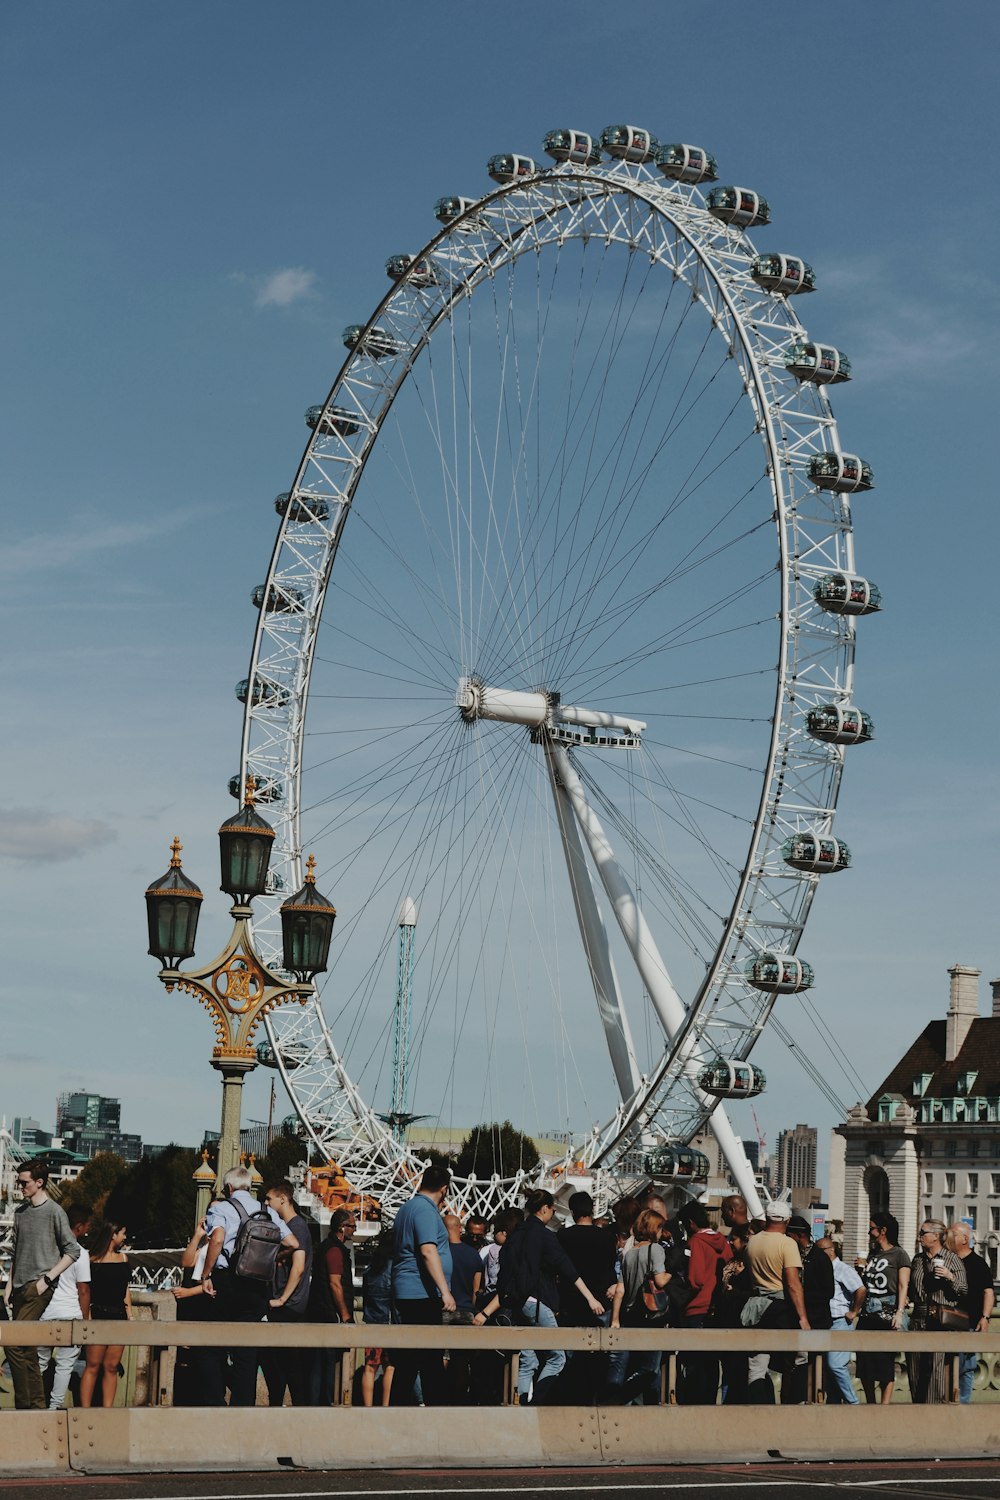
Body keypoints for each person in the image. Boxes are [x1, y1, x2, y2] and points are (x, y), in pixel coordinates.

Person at [475, 1188, 604, 1405]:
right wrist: (591, 1298)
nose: (553, 1214)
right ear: (544, 1209)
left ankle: (522, 1405)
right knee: (557, 1357)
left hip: (515, 1303)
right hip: (537, 1302)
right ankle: (537, 1404)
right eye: (552, 1210)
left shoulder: (516, 1236)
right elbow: (567, 1269)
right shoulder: (545, 1236)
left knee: (528, 1360)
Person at [200, 1164, 300, 1406]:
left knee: (211, 1345)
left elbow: (218, 1238)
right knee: (247, 1350)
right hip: (257, 1285)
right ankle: (243, 1405)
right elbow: (292, 1243)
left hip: (229, 1281)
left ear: (228, 1187)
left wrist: (206, 1275)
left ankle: (214, 1402)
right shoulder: (266, 1210)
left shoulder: (222, 1208)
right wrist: (270, 1259)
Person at [2, 1160, 81, 1410]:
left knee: (14, 1342)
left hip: (38, 1288)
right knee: (24, 1347)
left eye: (24, 1182)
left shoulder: (55, 1211)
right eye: (19, 1182)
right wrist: (8, 1285)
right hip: (18, 1287)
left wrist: (47, 1280)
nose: (20, 1186)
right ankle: (32, 1406)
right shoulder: (20, 1213)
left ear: (39, 1182)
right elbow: (17, 1251)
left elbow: (73, 1250)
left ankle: (30, 1405)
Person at [389, 1165, 455, 1406]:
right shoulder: (425, 1211)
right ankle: (436, 1415)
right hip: (421, 1293)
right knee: (430, 1360)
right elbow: (428, 1251)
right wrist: (445, 1291)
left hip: (408, 1291)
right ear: (444, 1189)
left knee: (409, 1360)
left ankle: (398, 1411)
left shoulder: (407, 1208)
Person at [742, 1200, 808, 1405]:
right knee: (800, 1355)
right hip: (780, 1307)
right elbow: (793, 1284)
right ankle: (795, 1405)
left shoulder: (752, 1242)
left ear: (767, 1218)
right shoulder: (787, 1243)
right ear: (787, 1220)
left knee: (757, 1365)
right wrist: (803, 1317)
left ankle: (759, 1410)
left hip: (755, 1307)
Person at [557, 1190, 619, 1403]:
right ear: (592, 1210)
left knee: (571, 1356)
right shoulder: (606, 1237)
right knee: (598, 1354)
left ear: (573, 1212)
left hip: (571, 1302)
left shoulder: (563, 1236)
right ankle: (594, 1397)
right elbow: (611, 1268)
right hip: (600, 1302)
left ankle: (573, 1397)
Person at [608, 1208, 673, 1405]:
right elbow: (660, 1281)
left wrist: (615, 1320)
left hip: (630, 1315)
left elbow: (620, 1290)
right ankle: (617, 1399)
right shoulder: (656, 1249)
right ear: (654, 1229)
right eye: (660, 1228)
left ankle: (633, 1404)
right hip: (651, 1317)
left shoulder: (630, 1254)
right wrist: (672, 1274)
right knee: (650, 1369)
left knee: (637, 1365)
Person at [260, 1180, 313, 1407]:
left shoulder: (296, 1226)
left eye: (269, 1199)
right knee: (284, 1365)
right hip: (288, 1304)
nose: (265, 1203)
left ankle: (287, 1409)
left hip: (288, 1306)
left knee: (286, 1365)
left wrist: (282, 1298)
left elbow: (299, 1267)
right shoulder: (293, 1226)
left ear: (283, 1199)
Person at [906, 1217, 967, 1404]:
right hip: (917, 1320)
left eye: (923, 1233)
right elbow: (910, 1289)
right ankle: (918, 1413)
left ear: (936, 1236)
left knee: (936, 1373)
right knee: (914, 1371)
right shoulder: (917, 1260)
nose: (920, 1237)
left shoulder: (951, 1259)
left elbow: (963, 1290)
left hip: (939, 1322)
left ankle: (935, 1416)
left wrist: (949, 1276)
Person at [676, 1200, 731, 1405]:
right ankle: (709, 1404)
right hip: (716, 1307)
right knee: (711, 1363)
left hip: (696, 1307)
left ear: (690, 1223)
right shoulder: (722, 1241)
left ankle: (694, 1406)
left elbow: (696, 1279)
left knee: (695, 1363)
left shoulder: (696, 1242)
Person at [38, 1204, 91, 1410]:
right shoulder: (80, 1253)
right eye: (87, 1226)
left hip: (46, 1313)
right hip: (70, 1314)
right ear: (78, 1227)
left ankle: (36, 1404)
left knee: (40, 1363)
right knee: (65, 1366)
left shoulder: (50, 1249)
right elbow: (83, 1290)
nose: (88, 1230)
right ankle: (55, 1407)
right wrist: (85, 1319)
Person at [856, 1211, 910, 1405]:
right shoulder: (873, 1253)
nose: (869, 1232)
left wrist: (899, 1312)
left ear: (883, 1231)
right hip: (867, 1311)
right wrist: (860, 1270)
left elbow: (903, 1285)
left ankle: (884, 1406)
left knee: (885, 1361)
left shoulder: (899, 1254)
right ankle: (871, 1403)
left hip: (886, 1311)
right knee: (864, 1361)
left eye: (872, 1228)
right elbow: (865, 1285)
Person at [780, 1216, 833, 1404]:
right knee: (794, 1364)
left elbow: (828, 1291)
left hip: (816, 1321)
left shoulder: (819, 1258)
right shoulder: (791, 1255)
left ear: (800, 1235)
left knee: (816, 1364)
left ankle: (815, 1399)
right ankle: (795, 1400)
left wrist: (800, 1297)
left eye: (789, 1235)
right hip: (796, 1320)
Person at [79, 1221, 131, 1408]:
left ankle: (107, 1411)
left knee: (111, 1366)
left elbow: (125, 1290)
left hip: (119, 1317)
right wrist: (88, 1317)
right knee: (92, 1365)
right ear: (112, 1235)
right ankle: (85, 1411)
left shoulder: (124, 1259)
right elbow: (85, 1291)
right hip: (98, 1316)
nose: (125, 1237)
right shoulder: (91, 1261)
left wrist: (130, 1315)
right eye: (122, 1233)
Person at [947, 1221, 995, 1404]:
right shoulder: (946, 1259)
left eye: (953, 1234)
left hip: (970, 1322)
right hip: (946, 1322)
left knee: (966, 1367)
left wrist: (985, 1317)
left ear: (965, 1239)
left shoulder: (978, 1264)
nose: (949, 1237)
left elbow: (988, 1292)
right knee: (948, 1366)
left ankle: (963, 1405)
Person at [817, 1235, 865, 1405]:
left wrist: (853, 1311)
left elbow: (860, 1289)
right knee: (829, 1369)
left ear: (830, 1250)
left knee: (836, 1365)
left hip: (840, 1321)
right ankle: (834, 1404)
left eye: (819, 1250)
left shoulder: (842, 1269)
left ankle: (853, 1402)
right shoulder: (824, 1269)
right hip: (826, 1322)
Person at [443, 1213, 482, 1402]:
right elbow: (477, 1290)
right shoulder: (473, 1255)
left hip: (443, 1310)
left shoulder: (438, 1254)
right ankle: (459, 1400)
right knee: (462, 1361)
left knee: (441, 1357)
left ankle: (438, 1399)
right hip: (466, 1312)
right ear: (460, 1228)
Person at [361, 1229, 394, 1408]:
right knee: (390, 1366)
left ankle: (367, 1408)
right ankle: (385, 1407)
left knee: (369, 1367)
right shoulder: (395, 1266)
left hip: (372, 1321)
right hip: (389, 1321)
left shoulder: (372, 1266)